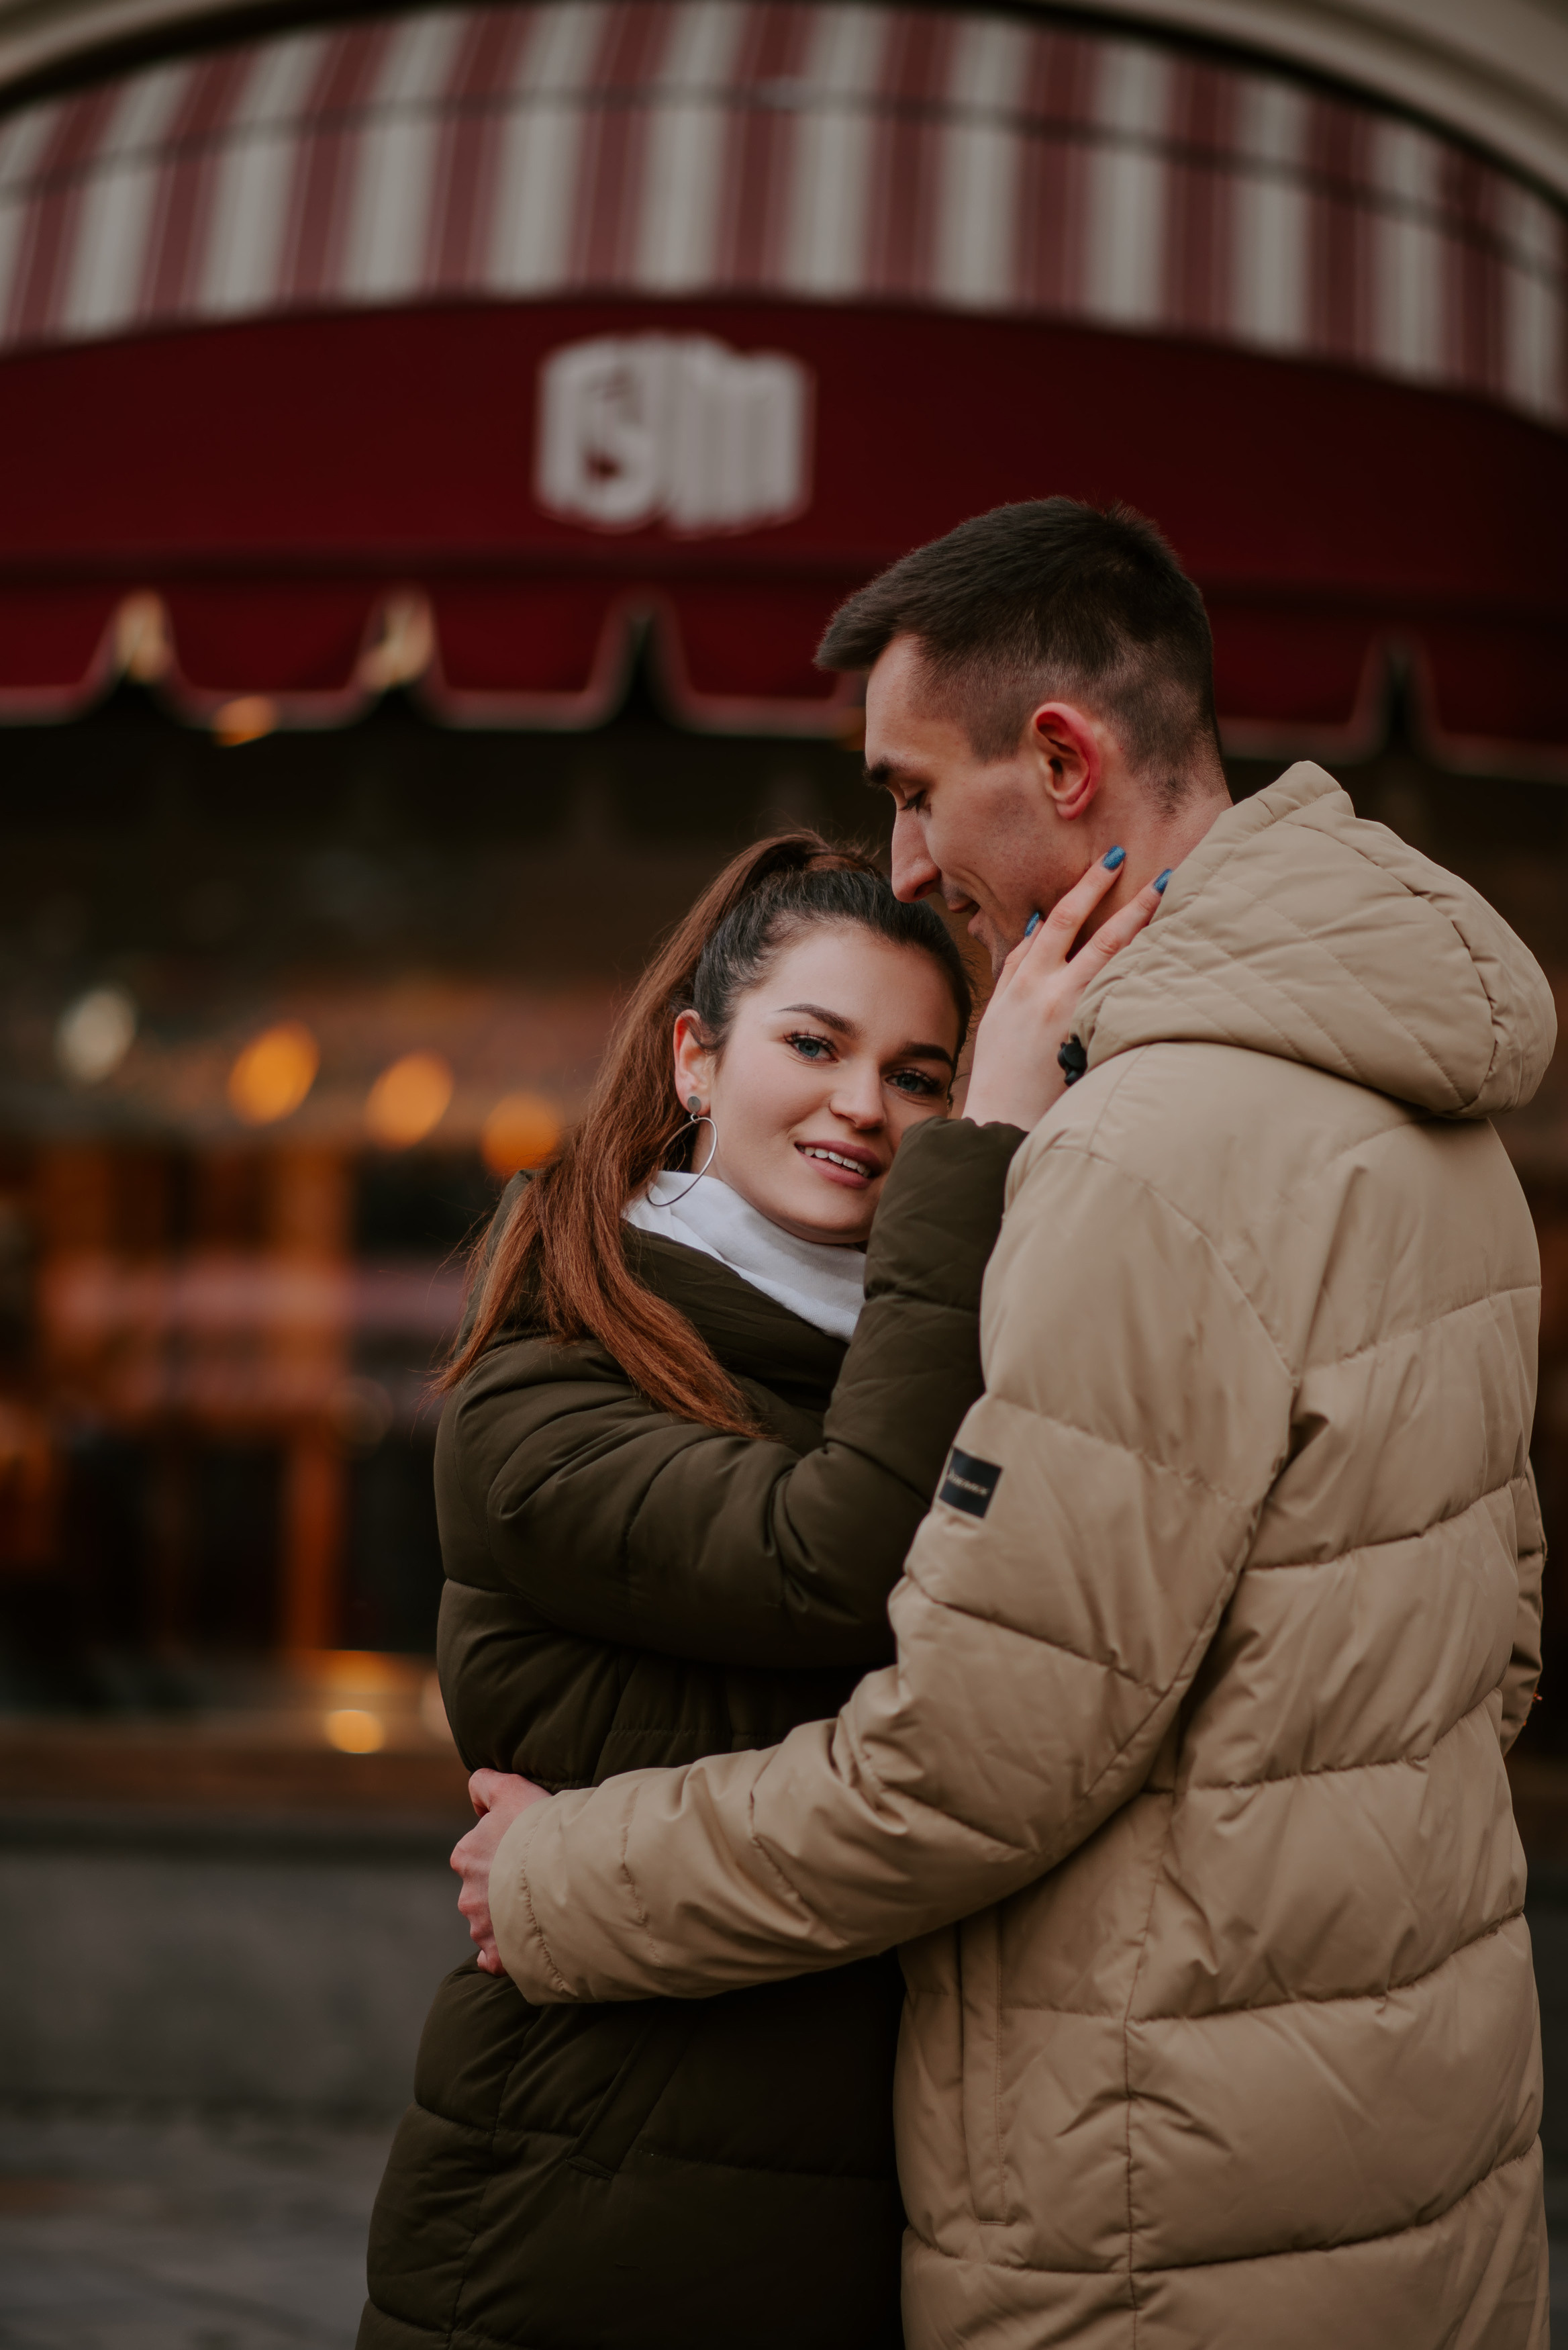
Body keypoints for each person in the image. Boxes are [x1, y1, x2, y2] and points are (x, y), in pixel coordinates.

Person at [456, 500, 1555, 2349]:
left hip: (1147, 2189)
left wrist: (566, 1876)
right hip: (1409, 2135)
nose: (897, 863)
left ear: (1059, 760)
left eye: (910, 789)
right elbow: (1499, 1645)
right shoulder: (1430, 1120)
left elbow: (970, 1763)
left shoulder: (1137, 1148)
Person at [356, 827, 1158, 2350]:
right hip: (593, 2206)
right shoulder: (540, 1390)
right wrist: (978, 1158)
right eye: (814, 1042)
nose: (866, 1106)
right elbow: (833, 1560)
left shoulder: (946, 1350)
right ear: (695, 1061)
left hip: (887, 2190)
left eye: (925, 1076)